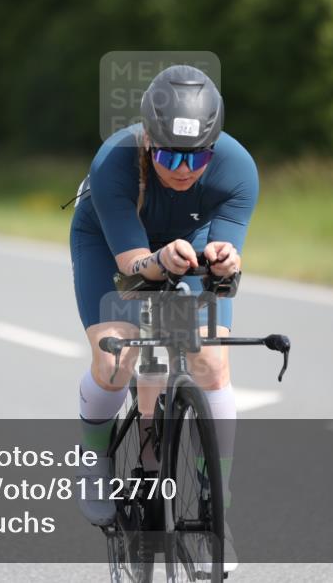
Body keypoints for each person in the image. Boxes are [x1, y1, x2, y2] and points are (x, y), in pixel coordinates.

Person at [69, 65, 257, 571]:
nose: (184, 169)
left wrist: (224, 258)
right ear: (148, 139)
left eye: (199, 156)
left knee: (211, 363)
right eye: (170, 154)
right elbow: (134, 269)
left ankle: (218, 501)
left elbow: (227, 257)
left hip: (187, 242)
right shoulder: (115, 162)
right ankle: (97, 458)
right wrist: (158, 262)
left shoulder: (239, 169)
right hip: (111, 243)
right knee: (118, 354)